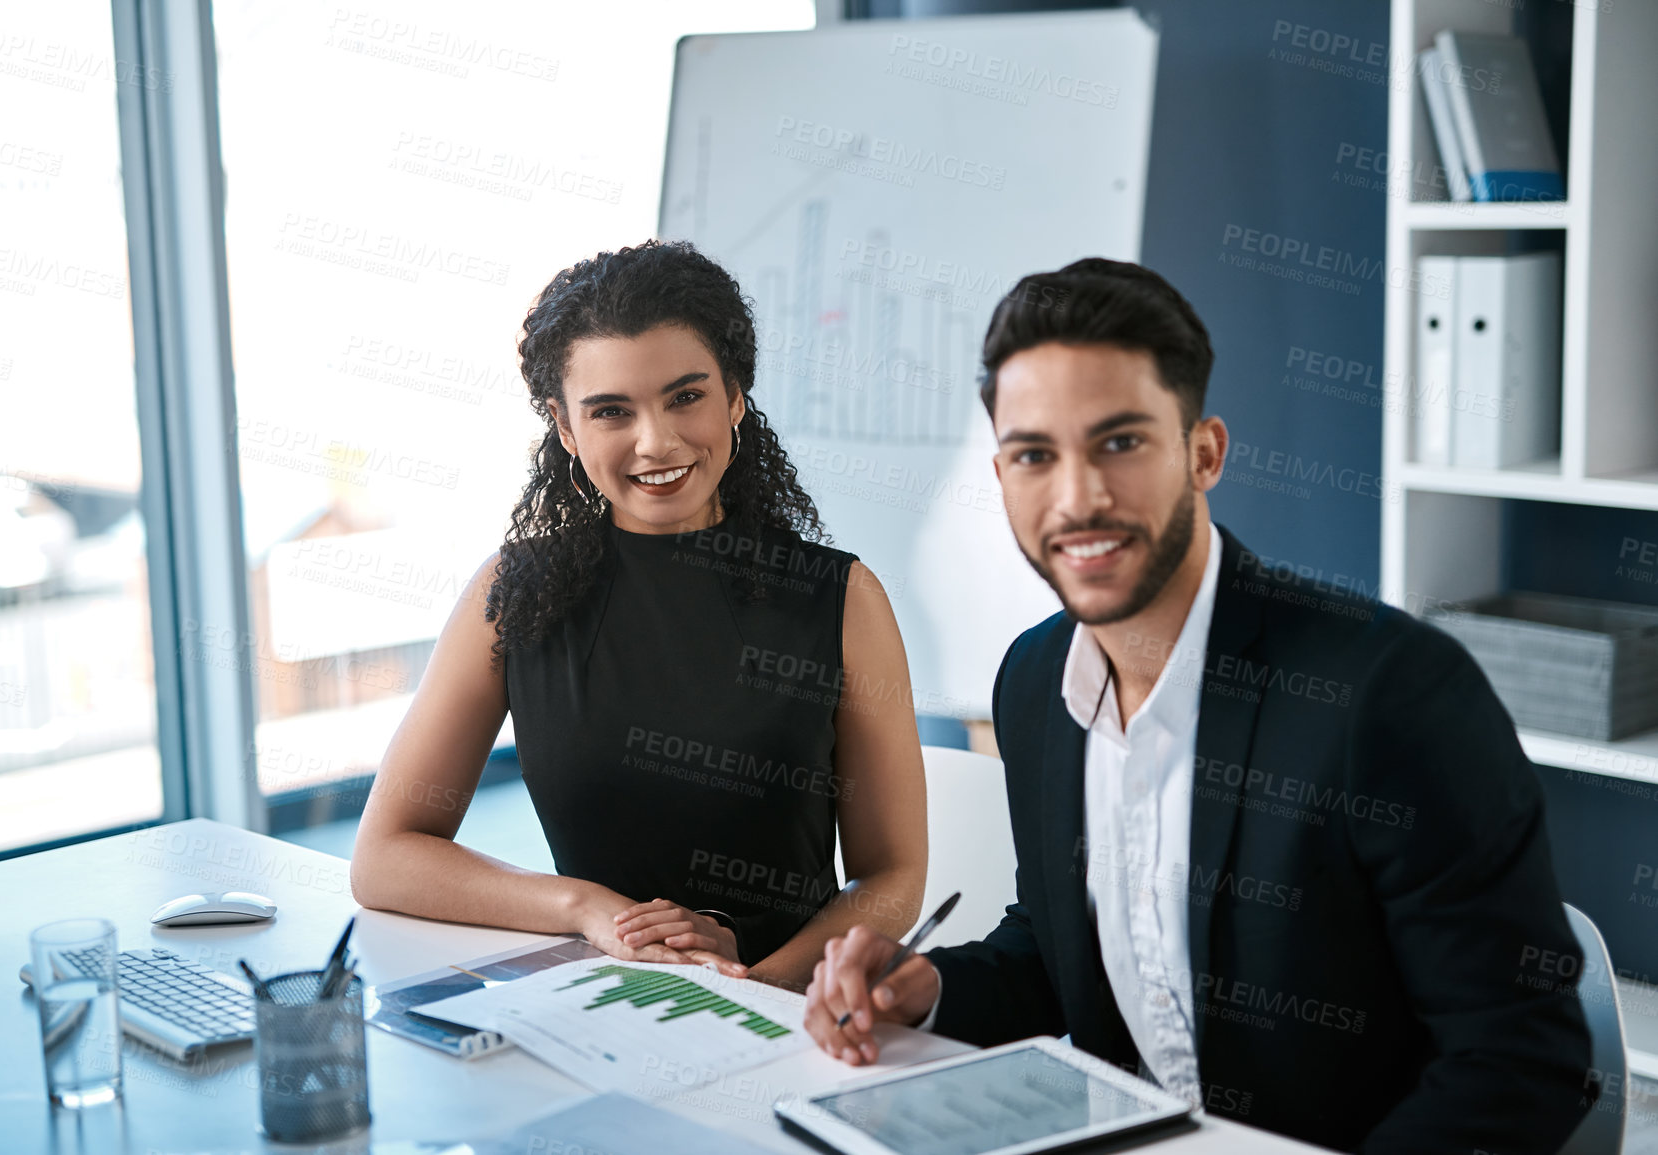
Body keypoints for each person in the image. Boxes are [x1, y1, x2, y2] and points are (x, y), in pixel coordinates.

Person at [802, 258, 1593, 1153]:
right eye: (1034, 455)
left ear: (1203, 452)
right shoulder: (1033, 683)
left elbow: (1520, 1059)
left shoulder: (1387, 693)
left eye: (1120, 442)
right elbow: (1065, 952)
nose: (1077, 498)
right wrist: (927, 989)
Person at [350, 239, 927, 990]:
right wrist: (588, 908)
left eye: (685, 396)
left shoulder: (844, 600)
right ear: (565, 428)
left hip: (789, 1004)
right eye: (611, 411)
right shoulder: (511, 596)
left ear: (734, 396)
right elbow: (385, 855)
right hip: (599, 1002)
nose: (655, 441)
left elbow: (894, 878)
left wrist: (752, 984)